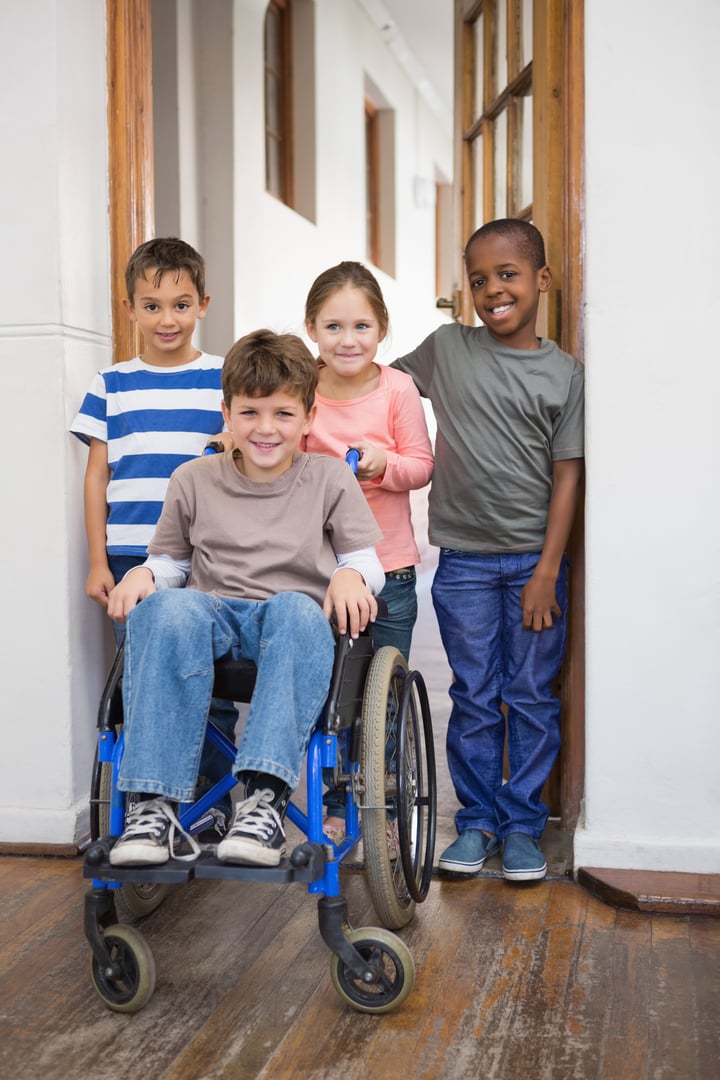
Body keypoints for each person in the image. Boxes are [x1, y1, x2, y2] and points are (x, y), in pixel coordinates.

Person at [105, 329, 385, 869]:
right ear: (227, 412)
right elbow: (171, 564)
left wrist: (352, 576)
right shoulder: (193, 478)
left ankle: (264, 799)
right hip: (211, 613)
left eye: (282, 414)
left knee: (299, 610)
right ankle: (154, 805)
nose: (265, 428)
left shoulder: (327, 478)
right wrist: (145, 574)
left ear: (308, 417)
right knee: (166, 607)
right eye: (250, 412)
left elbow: (364, 560)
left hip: (289, 619)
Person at [392, 218, 584, 882]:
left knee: (530, 695)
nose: (494, 290)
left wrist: (549, 570)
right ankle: (475, 822)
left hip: (535, 562)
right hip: (464, 564)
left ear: (541, 281)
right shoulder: (447, 348)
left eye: (508, 275)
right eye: (480, 280)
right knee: (474, 694)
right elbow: (376, 391)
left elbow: (568, 475)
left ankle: (524, 824)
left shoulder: (565, 375)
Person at [70, 236, 236, 842]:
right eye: (152, 305)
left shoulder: (223, 379)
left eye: (181, 304)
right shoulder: (110, 384)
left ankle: (214, 803)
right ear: (129, 308)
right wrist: (97, 562)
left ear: (204, 304)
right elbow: (97, 476)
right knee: (145, 683)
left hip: (203, 559)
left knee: (211, 683)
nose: (168, 319)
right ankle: (145, 809)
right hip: (128, 555)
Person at [303, 261, 434, 843]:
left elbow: (422, 466)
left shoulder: (397, 389)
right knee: (330, 692)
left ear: (381, 328)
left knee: (384, 693)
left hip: (390, 568)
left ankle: (381, 801)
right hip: (321, 569)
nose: (347, 340)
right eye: (333, 326)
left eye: (360, 326)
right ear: (312, 329)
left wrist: (385, 466)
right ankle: (332, 801)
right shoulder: (302, 390)